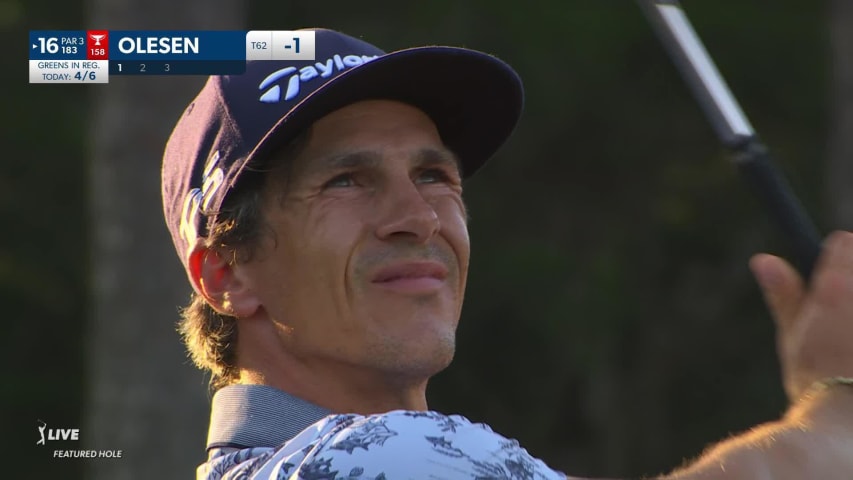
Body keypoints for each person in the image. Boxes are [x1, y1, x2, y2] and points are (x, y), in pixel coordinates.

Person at [161, 28, 853, 479]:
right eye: (346, 180)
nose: (418, 218)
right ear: (225, 273)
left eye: (434, 175)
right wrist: (834, 406)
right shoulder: (370, 460)